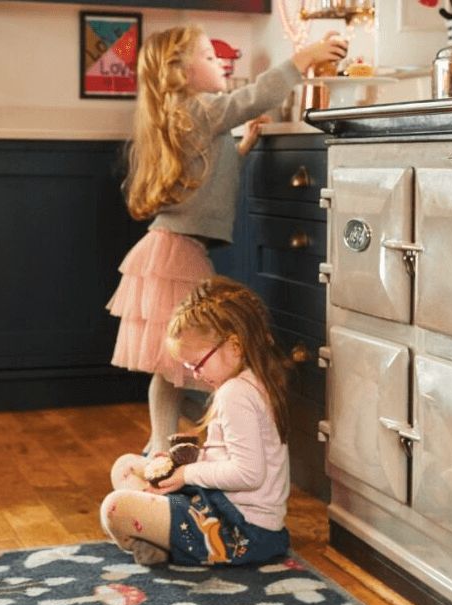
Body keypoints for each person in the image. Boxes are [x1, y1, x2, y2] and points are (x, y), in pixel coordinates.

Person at [107, 25, 347, 454]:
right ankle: (219, 445)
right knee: (208, 355)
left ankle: (160, 444)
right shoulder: (202, 108)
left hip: (167, 247)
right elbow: (251, 98)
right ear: (181, 72)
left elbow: (202, 181)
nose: (219, 61)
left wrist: (244, 145)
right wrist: (303, 58)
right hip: (178, 252)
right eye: (207, 55)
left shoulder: (186, 115)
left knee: (170, 368)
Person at [101, 276, 292, 568]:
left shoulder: (235, 393)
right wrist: (184, 466)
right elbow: (230, 457)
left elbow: (249, 473)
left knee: (114, 509)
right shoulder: (249, 381)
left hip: (240, 531)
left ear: (234, 346)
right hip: (226, 508)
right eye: (189, 367)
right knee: (125, 466)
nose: (196, 375)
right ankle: (161, 539)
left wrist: (187, 474)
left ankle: (161, 541)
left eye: (198, 364)